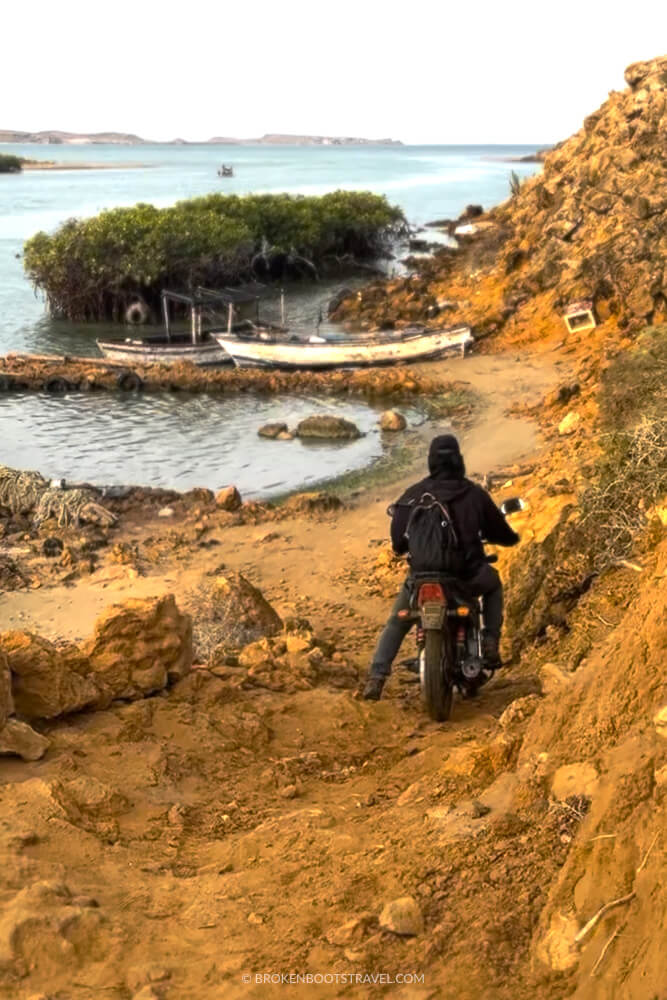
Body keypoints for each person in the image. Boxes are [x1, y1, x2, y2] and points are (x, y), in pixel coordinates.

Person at [363, 434, 519, 701]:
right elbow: (504, 534)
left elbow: (398, 543)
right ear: (458, 460)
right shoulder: (474, 494)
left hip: (422, 579)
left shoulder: (413, 495)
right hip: (466, 577)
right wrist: (500, 537)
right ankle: (490, 641)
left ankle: (376, 678)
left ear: (431, 462)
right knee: (493, 584)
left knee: (397, 621)